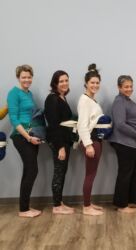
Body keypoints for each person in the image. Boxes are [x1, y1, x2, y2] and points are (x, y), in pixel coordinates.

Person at [109, 75, 136, 213]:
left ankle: (134, 200)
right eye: (126, 86)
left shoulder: (128, 101)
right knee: (125, 173)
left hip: (135, 144)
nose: (129, 89)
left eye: (131, 86)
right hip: (125, 143)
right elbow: (120, 124)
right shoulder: (119, 101)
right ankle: (121, 205)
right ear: (119, 87)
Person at [7, 65, 42, 217]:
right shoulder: (13, 93)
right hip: (21, 137)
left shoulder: (29, 93)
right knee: (32, 170)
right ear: (18, 78)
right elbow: (14, 119)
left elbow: (31, 115)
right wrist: (28, 137)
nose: (27, 80)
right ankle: (24, 209)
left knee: (29, 171)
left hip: (32, 136)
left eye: (29, 77)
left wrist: (37, 133)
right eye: (23, 77)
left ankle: (25, 207)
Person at [44, 70, 74, 215]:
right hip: (58, 142)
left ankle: (60, 202)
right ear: (55, 83)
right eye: (61, 81)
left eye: (66, 80)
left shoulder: (62, 97)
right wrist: (60, 147)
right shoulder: (52, 99)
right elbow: (54, 124)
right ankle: (56, 206)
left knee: (62, 172)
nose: (64, 83)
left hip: (65, 140)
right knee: (59, 172)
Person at [77, 64, 104, 216]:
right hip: (91, 142)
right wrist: (88, 145)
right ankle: (86, 207)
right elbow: (82, 125)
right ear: (86, 83)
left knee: (92, 173)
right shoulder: (84, 100)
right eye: (92, 82)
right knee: (90, 174)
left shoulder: (92, 100)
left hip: (96, 141)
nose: (95, 85)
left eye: (97, 83)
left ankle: (89, 203)